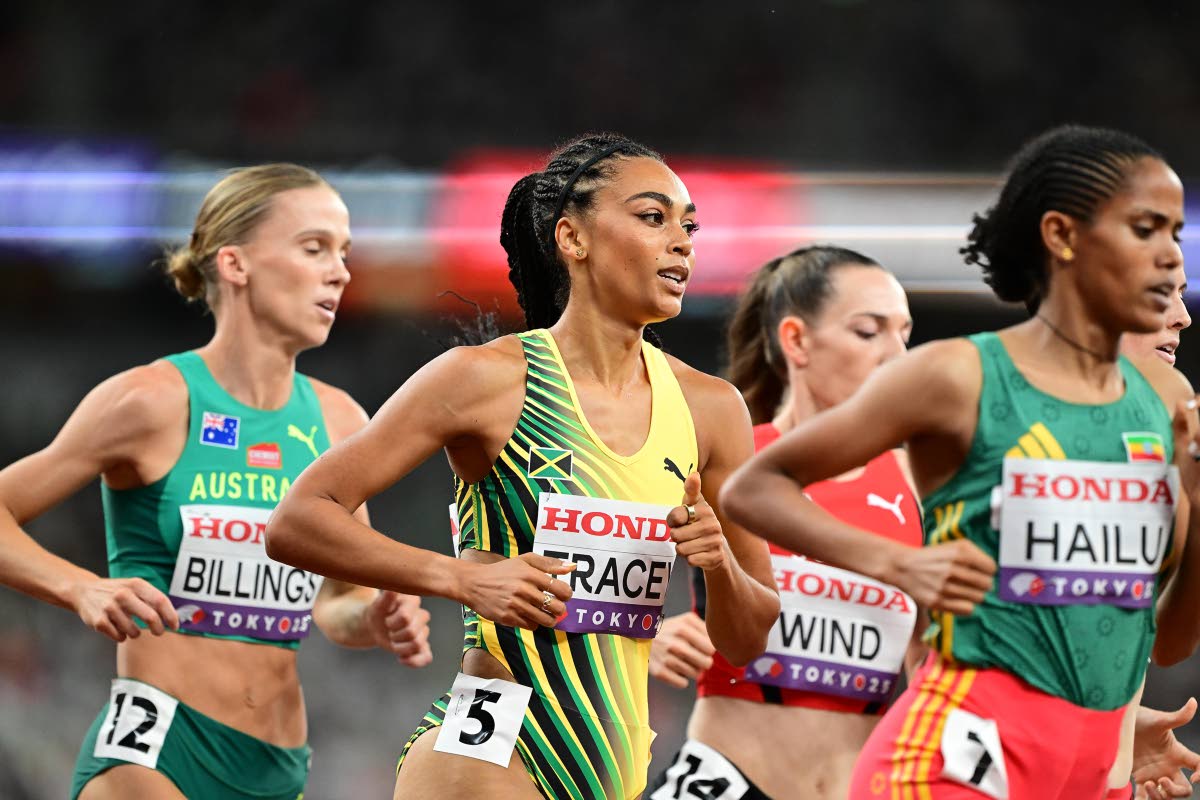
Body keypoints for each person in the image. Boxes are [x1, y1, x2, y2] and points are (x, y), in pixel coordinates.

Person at [265, 132, 780, 800]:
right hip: (488, 752)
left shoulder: (711, 409)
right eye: (653, 218)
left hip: (614, 765)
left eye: (689, 225)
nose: (682, 241)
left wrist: (717, 564)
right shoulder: (488, 380)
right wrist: (458, 579)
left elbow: (747, 640)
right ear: (573, 238)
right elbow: (298, 520)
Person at [721, 125, 1200, 800]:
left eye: (1174, 232)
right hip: (953, 761)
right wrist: (898, 564)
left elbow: (1170, 640)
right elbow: (754, 486)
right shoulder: (958, 375)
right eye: (1145, 229)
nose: (1169, 258)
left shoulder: (1168, 400)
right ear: (1061, 237)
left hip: (1096, 779)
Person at [0, 164, 433, 800]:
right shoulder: (149, 401)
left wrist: (374, 618)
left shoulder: (340, 420)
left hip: (278, 762)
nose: (339, 271)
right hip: (154, 752)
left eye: (343, 252)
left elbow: (335, 599)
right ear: (235, 264)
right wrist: (80, 588)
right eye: (313, 248)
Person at [648, 245, 921, 800]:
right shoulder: (727, 459)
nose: (898, 357)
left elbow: (937, 669)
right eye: (869, 332)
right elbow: (572, 565)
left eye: (905, 334)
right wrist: (635, 636)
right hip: (725, 781)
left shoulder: (923, 483)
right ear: (796, 340)